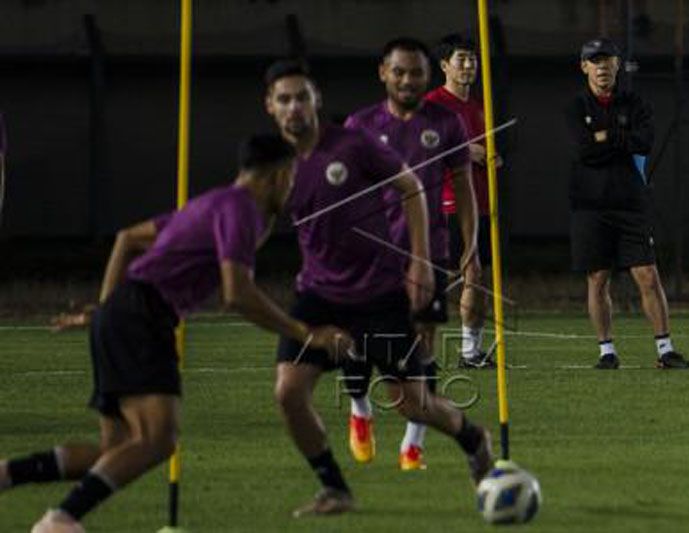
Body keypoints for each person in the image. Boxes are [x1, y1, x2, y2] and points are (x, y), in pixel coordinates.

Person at [0, 134, 351, 533]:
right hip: (144, 315)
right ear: (278, 174)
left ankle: (9, 475)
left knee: (117, 450)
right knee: (158, 439)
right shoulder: (242, 210)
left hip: (126, 313)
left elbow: (128, 239)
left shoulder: (211, 204)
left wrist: (107, 308)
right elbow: (236, 294)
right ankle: (60, 521)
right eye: (291, 179)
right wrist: (304, 333)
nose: (291, 190)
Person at [264, 59, 492, 516]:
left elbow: (411, 186)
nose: (294, 107)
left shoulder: (351, 143)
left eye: (301, 97)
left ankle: (473, 437)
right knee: (289, 391)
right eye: (284, 99)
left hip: (377, 292)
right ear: (270, 107)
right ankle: (335, 488)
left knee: (414, 405)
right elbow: (249, 221)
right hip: (319, 295)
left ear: (316, 102)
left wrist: (422, 265)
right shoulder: (273, 164)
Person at [343, 37, 479, 471]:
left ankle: (412, 442)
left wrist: (470, 242)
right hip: (371, 256)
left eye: (415, 73)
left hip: (428, 251)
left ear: (427, 76)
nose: (407, 80)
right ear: (383, 72)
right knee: (358, 343)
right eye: (398, 71)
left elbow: (463, 187)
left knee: (423, 344)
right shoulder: (359, 125)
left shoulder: (446, 122)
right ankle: (360, 409)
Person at [565, 37, 689, 370]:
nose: (602, 66)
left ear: (617, 65)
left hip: (630, 203)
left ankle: (666, 350)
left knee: (648, 275)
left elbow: (645, 142)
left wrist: (606, 137)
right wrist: (618, 138)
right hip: (589, 206)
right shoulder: (576, 107)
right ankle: (606, 352)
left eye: (607, 60)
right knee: (597, 278)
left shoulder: (634, 102)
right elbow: (583, 150)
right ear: (584, 67)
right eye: (595, 61)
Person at [426, 33, 500, 369]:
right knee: (440, 276)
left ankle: (471, 350)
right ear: (445, 66)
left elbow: (485, 150)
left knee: (475, 275)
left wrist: (493, 158)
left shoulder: (480, 104)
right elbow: (421, 150)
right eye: (462, 59)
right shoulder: (433, 104)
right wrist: (464, 150)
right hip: (446, 201)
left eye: (473, 59)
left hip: (480, 201)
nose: (469, 66)